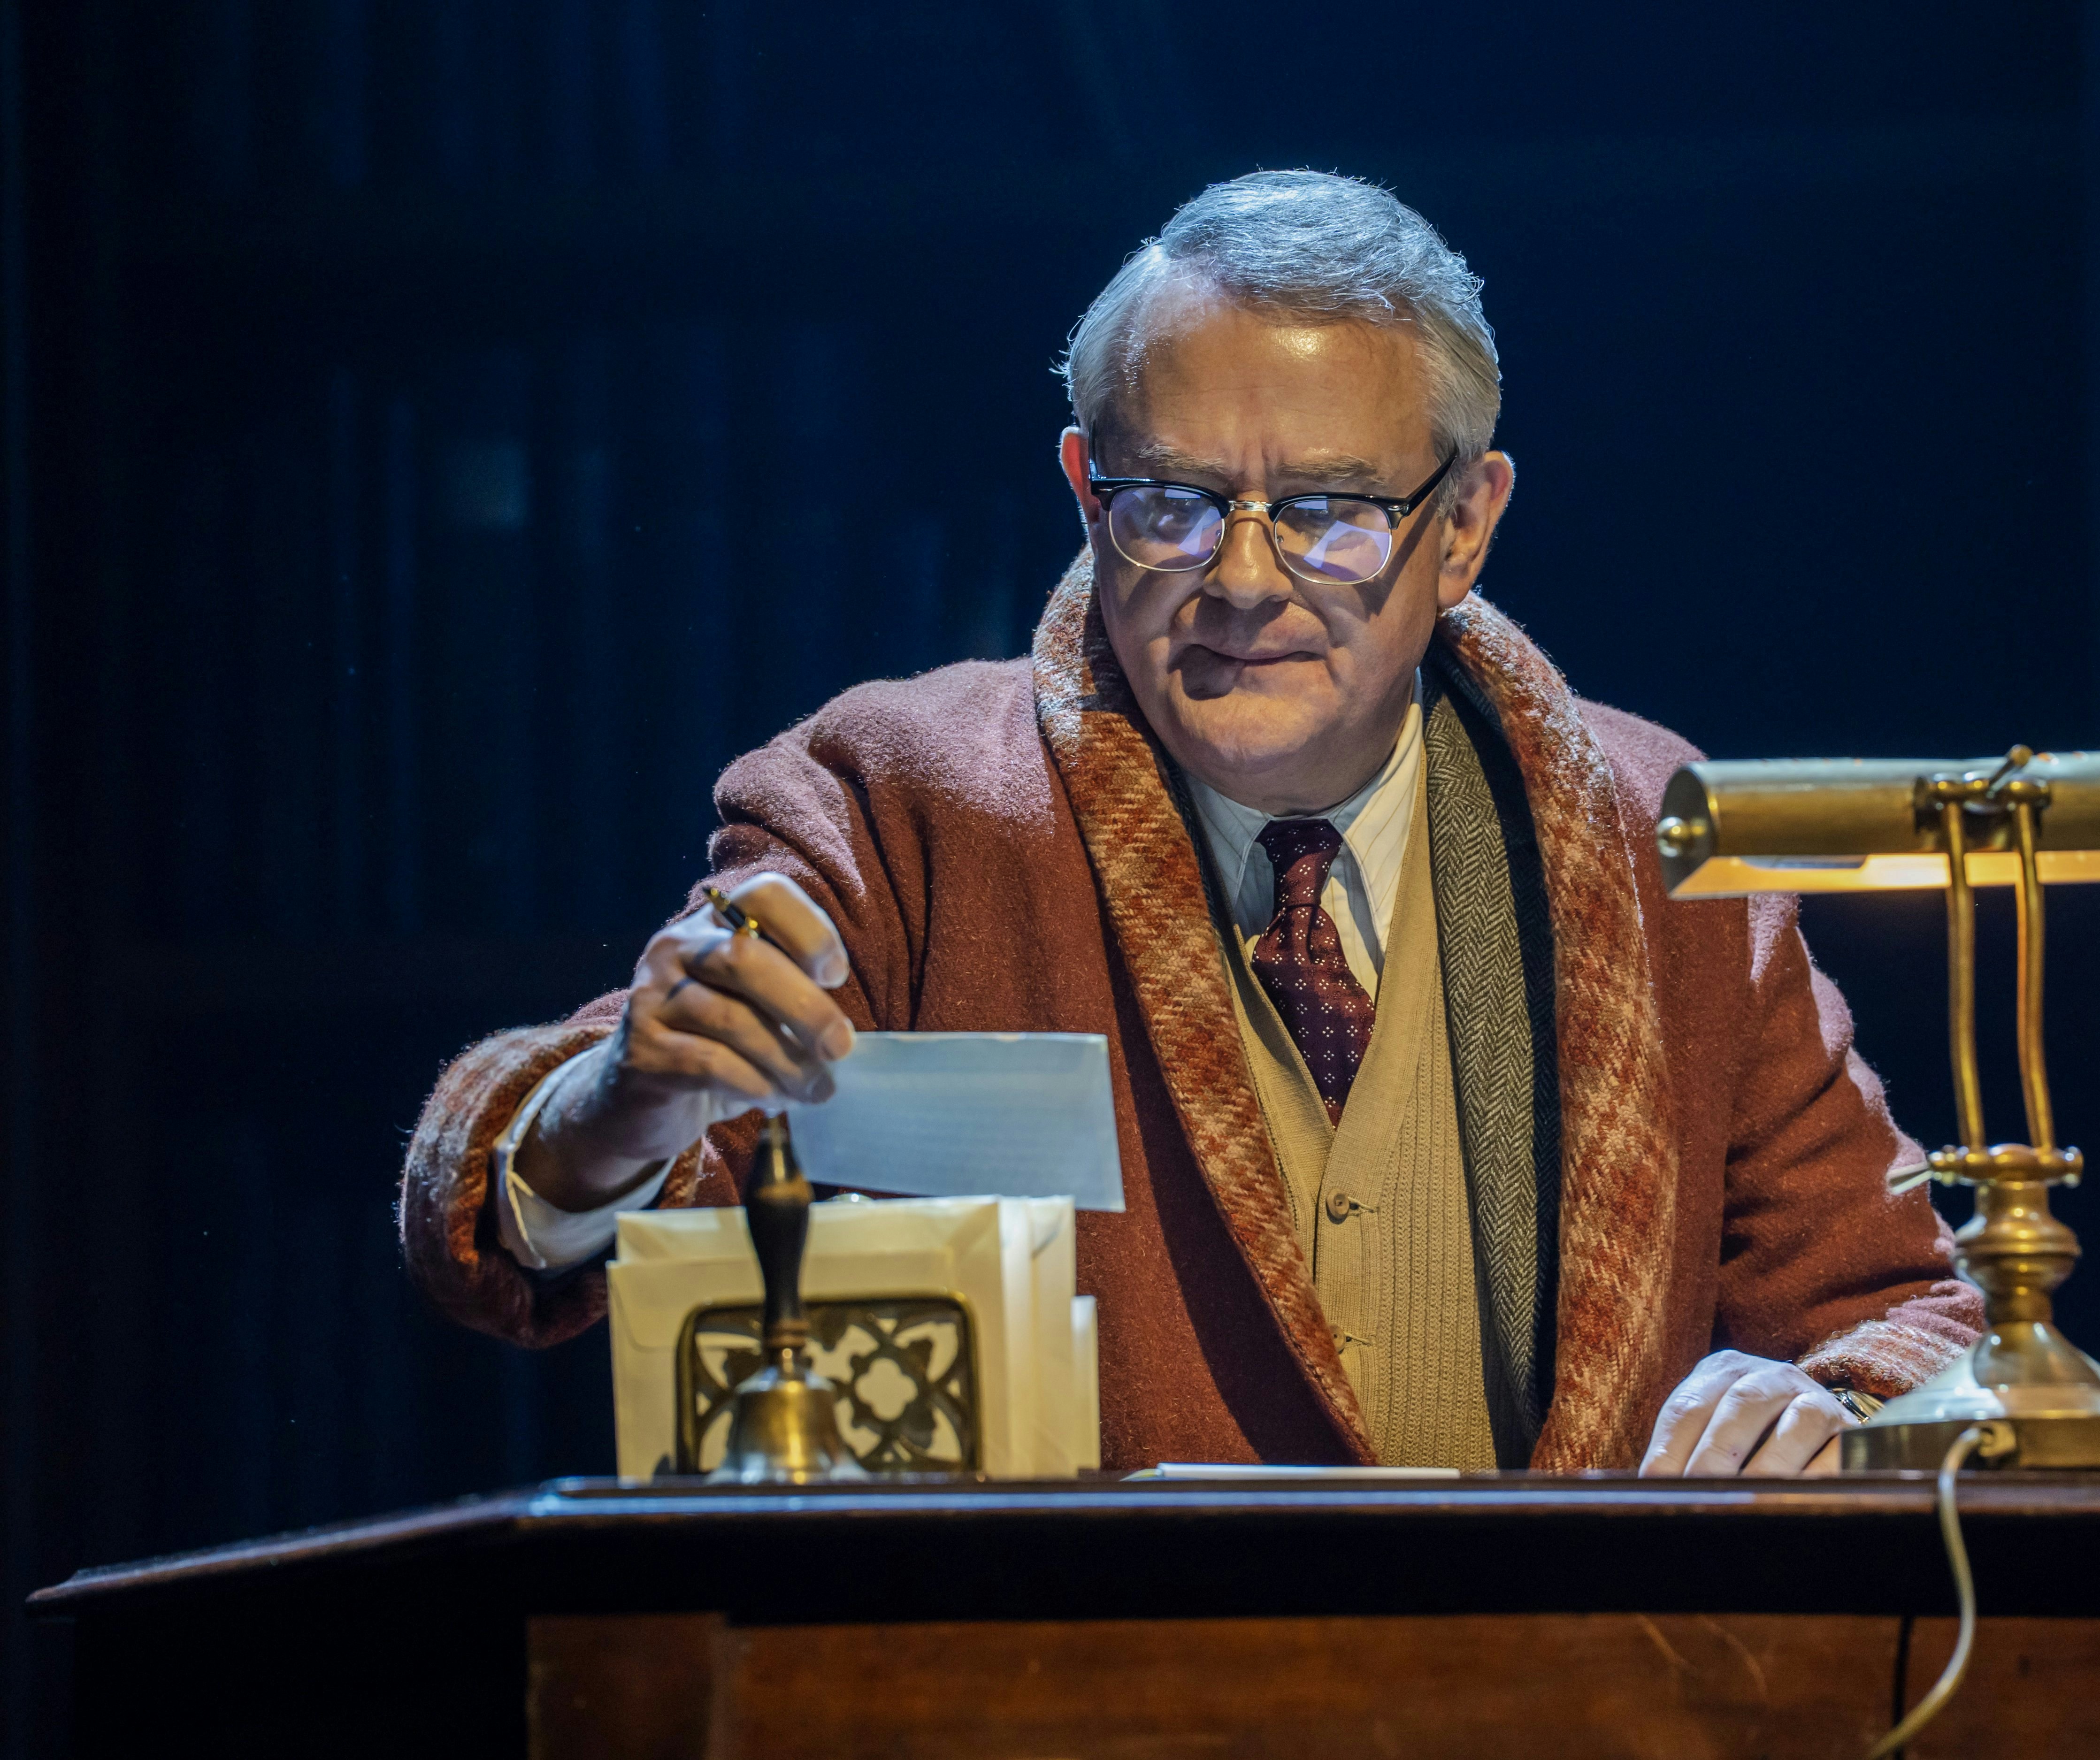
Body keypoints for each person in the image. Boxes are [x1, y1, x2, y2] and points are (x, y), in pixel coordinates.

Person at [402, 170, 1979, 1475]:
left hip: (1555, 1696)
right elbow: (527, 1226)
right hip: (1044, 1698)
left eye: (1329, 513)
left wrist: (1822, 1411)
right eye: (1172, 503)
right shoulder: (894, 803)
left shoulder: (1656, 841)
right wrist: (618, 1103)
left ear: (1465, 527)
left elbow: (1903, 1315)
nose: (1239, 581)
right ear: (1085, 489)